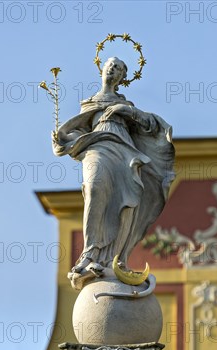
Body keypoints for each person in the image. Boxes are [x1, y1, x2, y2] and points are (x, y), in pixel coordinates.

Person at [52, 57, 175, 281]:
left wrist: (122, 110)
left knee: (128, 202)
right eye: (110, 65)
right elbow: (78, 133)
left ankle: (115, 259)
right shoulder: (89, 103)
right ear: (102, 69)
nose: (113, 69)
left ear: (122, 78)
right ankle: (90, 254)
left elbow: (151, 125)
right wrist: (65, 140)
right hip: (97, 147)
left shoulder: (127, 106)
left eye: (118, 68)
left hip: (125, 151)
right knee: (94, 188)